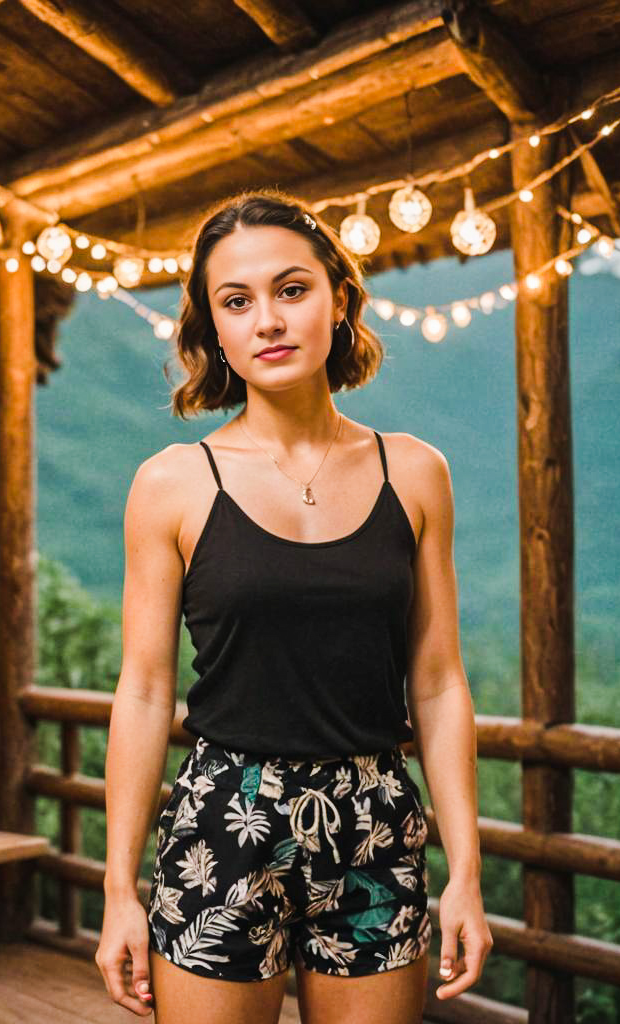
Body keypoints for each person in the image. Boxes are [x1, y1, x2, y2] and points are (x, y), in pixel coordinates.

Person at [95, 190, 491, 1024]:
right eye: (236, 302)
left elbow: (441, 682)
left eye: (291, 289)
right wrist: (117, 892)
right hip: (220, 825)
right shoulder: (170, 484)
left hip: (379, 819)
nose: (267, 320)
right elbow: (141, 690)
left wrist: (468, 874)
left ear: (338, 300)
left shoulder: (414, 473)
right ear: (214, 329)